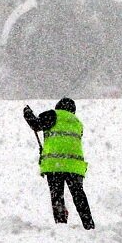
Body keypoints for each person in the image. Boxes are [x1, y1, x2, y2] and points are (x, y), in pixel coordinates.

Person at [24, 97, 95, 228]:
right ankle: (89, 225)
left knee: (57, 196)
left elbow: (35, 125)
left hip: (55, 164)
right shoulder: (78, 123)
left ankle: (61, 225)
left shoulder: (52, 115)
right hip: (75, 166)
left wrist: (27, 114)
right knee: (79, 196)